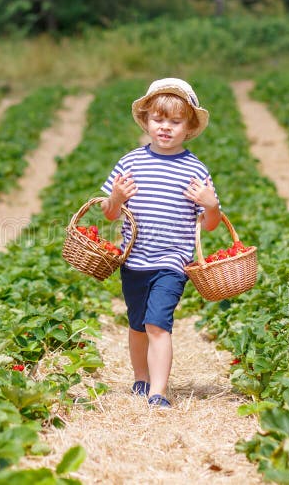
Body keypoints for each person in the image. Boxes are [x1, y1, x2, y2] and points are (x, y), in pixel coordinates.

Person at [100, 77, 221, 408]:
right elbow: (110, 214)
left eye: (175, 121)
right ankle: (140, 379)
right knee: (138, 325)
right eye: (158, 119)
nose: (165, 128)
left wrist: (210, 205)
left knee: (157, 324)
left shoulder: (195, 171)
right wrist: (115, 197)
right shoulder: (130, 163)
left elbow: (209, 226)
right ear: (146, 121)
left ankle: (158, 391)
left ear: (189, 126)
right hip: (134, 261)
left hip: (172, 262)